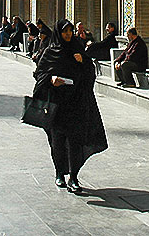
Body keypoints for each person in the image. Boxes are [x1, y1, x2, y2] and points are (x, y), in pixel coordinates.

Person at [32, 19, 108, 193]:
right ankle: (59, 173)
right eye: (64, 31)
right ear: (59, 33)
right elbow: (40, 73)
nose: (67, 34)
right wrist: (51, 79)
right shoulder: (51, 51)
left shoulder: (77, 49)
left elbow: (90, 73)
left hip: (76, 102)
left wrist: (82, 62)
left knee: (75, 141)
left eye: (69, 31)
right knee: (57, 141)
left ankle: (74, 177)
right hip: (57, 104)